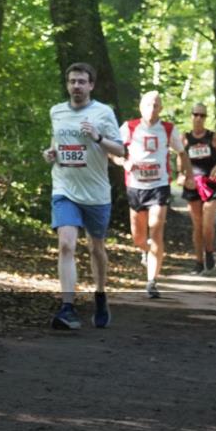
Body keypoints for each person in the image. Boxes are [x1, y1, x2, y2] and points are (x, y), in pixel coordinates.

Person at [43, 62, 124, 329]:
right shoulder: (56, 111)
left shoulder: (103, 112)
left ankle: (100, 293)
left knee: (95, 248)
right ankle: (67, 307)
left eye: (81, 82)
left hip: (96, 193)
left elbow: (120, 151)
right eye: (72, 81)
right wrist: (51, 153)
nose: (76, 86)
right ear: (67, 85)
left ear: (91, 85)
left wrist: (98, 138)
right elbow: (56, 143)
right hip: (64, 188)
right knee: (66, 244)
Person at [110, 91, 192, 298]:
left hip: (159, 186)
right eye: (148, 104)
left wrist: (185, 174)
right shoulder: (129, 127)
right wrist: (123, 162)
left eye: (156, 105)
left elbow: (182, 153)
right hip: (136, 187)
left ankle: (151, 282)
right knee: (138, 238)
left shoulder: (168, 129)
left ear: (161, 108)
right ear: (141, 107)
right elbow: (112, 151)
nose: (152, 109)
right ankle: (145, 250)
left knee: (156, 230)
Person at [181, 104, 216, 275]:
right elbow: (181, 160)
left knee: (207, 225)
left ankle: (209, 250)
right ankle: (198, 262)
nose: (199, 118)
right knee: (197, 226)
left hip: (210, 184)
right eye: (196, 114)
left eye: (202, 115)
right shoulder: (185, 138)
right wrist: (182, 176)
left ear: (206, 117)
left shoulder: (213, 138)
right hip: (193, 184)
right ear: (191, 116)